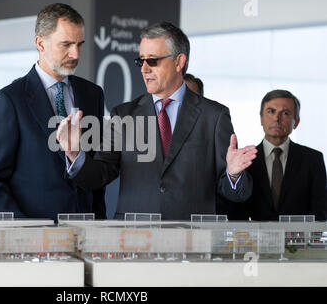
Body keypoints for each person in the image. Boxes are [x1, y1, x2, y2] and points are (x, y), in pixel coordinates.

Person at [58, 22, 257, 220]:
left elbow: (233, 193)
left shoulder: (214, 116)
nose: (144, 69)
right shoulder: (124, 115)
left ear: (179, 62)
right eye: (140, 61)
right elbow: (100, 174)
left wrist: (233, 175)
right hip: (134, 239)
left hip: (192, 239)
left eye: (152, 61)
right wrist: (75, 155)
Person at [0, 3, 106, 220]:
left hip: (86, 233)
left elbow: (97, 173)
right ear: (40, 43)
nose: (75, 53)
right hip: (33, 239)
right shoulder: (9, 100)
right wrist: (25, 231)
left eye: (79, 44)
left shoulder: (92, 94)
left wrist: (100, 227)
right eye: (66, 44)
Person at [234, 90, 326, 221]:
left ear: (297, 122)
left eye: (285, 113)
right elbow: (236, 209)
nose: (277, 118)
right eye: (271, 111)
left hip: (298, 239)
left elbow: (320, 210)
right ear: (261, 118)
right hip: (254, 239)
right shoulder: (245, 159)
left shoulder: (313, 159)